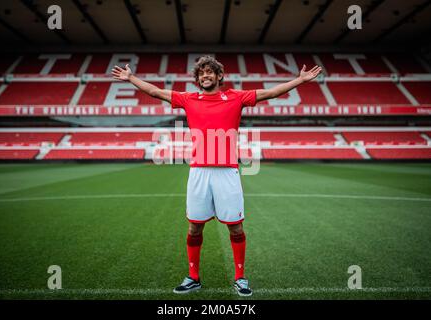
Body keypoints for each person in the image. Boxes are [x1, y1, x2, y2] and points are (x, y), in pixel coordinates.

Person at [112, 55, 322, 296]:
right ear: (197, 79)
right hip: (199, 172)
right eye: (201, 73)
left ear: (219, 76)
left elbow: (270, 93)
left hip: (227, 173)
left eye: (210, 72)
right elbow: (155, 92)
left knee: (236, 228)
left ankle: (240, 278)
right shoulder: (188, 99)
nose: (206, 76)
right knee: (194, 228)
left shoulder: (236, 97)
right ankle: (193, 277)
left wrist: (300, 80)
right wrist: (130, 78)